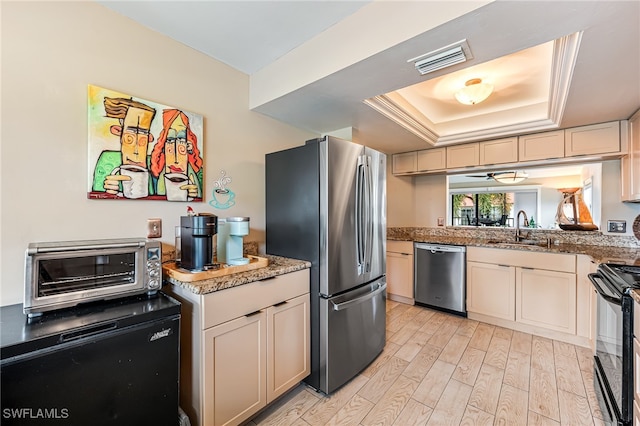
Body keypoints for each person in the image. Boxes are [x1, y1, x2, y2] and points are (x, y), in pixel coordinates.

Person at [91, 97, 156, 198]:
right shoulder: (108, 159)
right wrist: (107, 190)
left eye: (143, 141)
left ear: (149, 139)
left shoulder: (154, 163)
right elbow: (96, 193)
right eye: (129, 139)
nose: (136, 151)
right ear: (118, 132)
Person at [150, 109, 203, 200]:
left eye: (182, 140)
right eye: (170, 140)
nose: (176, 160)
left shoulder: (199, 175)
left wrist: (194, 196)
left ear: (189, 146)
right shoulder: (152, 178)